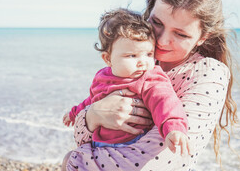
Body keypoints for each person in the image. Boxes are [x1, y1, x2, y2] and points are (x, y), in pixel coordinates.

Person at [64, 0, 239, 170]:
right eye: (156, 22)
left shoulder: (209, 73)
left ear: (203, 37)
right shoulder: (141, 59)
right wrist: (92, 115)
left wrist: (74, 160)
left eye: (181, 34)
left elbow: (158, 162)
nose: (162, 41)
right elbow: (83, 137)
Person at [63, 8, 190, 154]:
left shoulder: (149, 77)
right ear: (108, 59)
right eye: (132, 55)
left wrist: (173, 128)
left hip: (131, 147)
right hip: (99, 146)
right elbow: (92, 100)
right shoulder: (101, 77)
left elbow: (164, 100)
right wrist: (74, 113)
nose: (143, 62)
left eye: (149, 54)